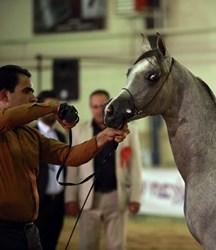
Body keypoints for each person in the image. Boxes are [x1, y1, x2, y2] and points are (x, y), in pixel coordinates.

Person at [0, 65, 129, 250]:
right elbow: (8, 118)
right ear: (4, 96)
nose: (33, 98)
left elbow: (69, 156)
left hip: (29, 231)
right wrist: (53, 106)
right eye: (27, 91)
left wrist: (103, 137)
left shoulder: (30, 135)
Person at [65, 89, 142, 250]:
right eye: (94, 106)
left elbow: (135, 166)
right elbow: (72, 166)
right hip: (88, 197)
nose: (98, 110)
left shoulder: (130, 131)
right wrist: (70, 198)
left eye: (102, 106)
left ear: (110, 106)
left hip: (116, 196)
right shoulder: (78, 131)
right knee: (87, 245)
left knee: (117, 246)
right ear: (89, 107)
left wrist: (135, 197)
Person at [34, 90, 66, 250]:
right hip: (39, 202)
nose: (53, 111)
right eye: (49, 106)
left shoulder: (61, 135)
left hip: (58, 201)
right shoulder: (30, 134)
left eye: (56, 107)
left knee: (52, 242)